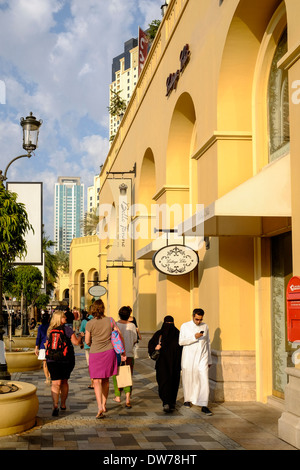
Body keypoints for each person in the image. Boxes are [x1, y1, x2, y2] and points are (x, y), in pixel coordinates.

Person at [85, 299, 124, 419]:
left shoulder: (89, 323)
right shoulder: (110, 320)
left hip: (95, 353)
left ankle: (99, 406)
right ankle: (104, 404)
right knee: (106, 380)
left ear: (92, 309)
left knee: (97, 381)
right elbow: (119, 334)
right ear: (103, 308)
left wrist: (94, 343)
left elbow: (87, 341)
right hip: (109, 352)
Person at [46, 310, 83, 417]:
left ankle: (55, 405)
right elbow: (76, 342)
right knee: (64, 382)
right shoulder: (67, 329)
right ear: (59, 318)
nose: (66, 318)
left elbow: (47, 344)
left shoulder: (50, 330)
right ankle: (63, 404)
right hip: (66, 359)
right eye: (64, 317)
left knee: (55, 383)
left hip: (52, 360)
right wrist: (80, 336)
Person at [179, 308, 213, 416]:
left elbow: (208, 343)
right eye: (197, 319)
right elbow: (181, 342)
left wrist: (210, 359)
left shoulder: (205, 326)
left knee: (203, 378)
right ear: (193, 316)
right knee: (189, 378)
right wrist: (194, 337)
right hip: (189, 357)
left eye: (200, 319)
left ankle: (204, 404)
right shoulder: (185, 326)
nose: (198, 321)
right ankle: (187, 399)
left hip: (202, 357)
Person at [148, 315, 182, 413]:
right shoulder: (159, 335)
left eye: (170, 324)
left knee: (174, 383)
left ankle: (171, 403)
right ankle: (166, 402)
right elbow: (151, 345)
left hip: (174, 364)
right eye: (168, 324)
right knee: (163, 382)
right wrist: (156, 349)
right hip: (163, 364)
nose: (169, 326)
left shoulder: (178, 334)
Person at [112, 306, 137, 408]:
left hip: (117, 354)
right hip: (129, 354)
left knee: (116, 375)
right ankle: (127, 398)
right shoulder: (132, 326)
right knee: (128, 375)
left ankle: (117, 396)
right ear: (128, 315)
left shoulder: (115, 325)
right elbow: (135, 339)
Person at [79, 310, 94, 389]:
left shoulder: (84, 321)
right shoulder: (98, 320)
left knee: (90, 364)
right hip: (98, 345)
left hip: (88, 345)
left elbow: (81, 332)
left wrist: (81, 342)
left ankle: (92, 382)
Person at [35, 313, 51, 384]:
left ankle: (47, 378)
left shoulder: (40, 327)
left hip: (42, 346)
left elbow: (38, 338)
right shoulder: (51, 327)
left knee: (45, 363)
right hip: (50, 346)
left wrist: (36, 347)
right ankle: (50, 376)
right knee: (50, 362)